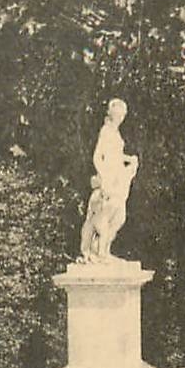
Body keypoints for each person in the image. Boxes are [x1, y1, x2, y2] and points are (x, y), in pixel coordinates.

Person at [77, 97, 139, 264]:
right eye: (118, 114)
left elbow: (116, 155)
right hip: (109, 176)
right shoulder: (106, 131)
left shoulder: (115, 133)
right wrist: (103, 176)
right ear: (112, 114)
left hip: (117, 175)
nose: (121, 118)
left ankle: (104, 249)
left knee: (119, 216)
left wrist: (129, 159)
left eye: (122, 115)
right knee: (104, 214)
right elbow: (98, 156)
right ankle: (100, 252)